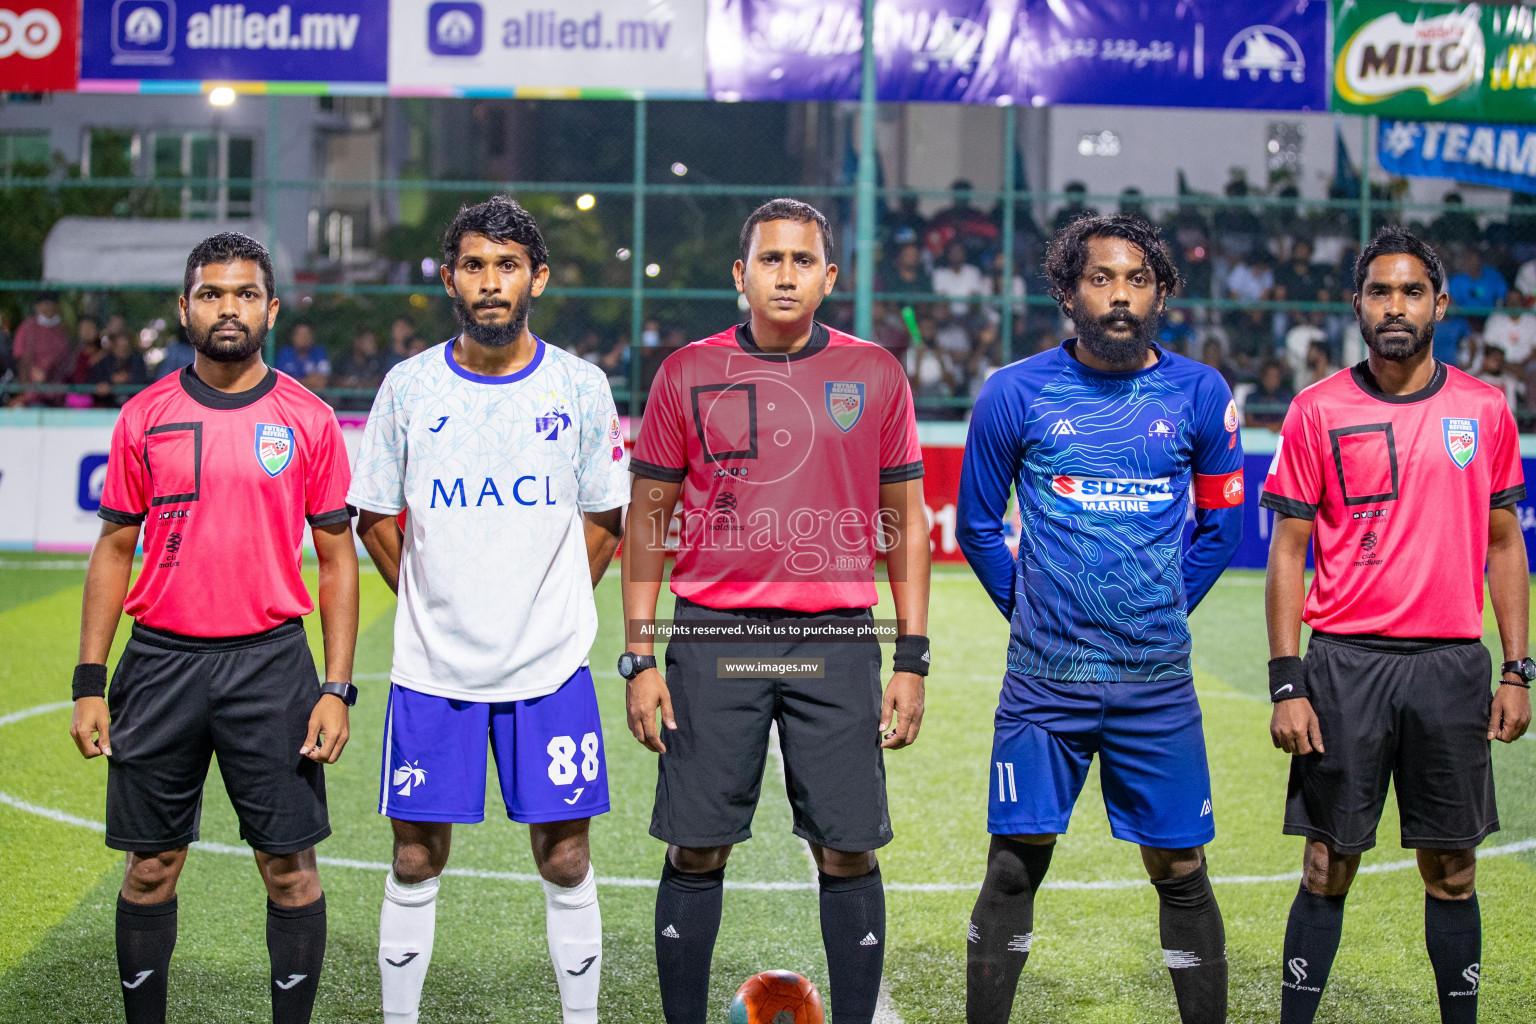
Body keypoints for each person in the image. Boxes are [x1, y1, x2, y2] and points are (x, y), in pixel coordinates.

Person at [623, 198, 930, 1024]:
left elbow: (904, 521)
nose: (785, 274)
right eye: (770, 259)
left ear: (830, 276)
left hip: (833, 639)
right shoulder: (686, 372)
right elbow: (649, 516)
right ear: (741, 274)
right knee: (697, 842)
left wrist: (912, 657)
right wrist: (640, 657)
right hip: (712, 636)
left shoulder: (875, 374)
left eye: (802, 261)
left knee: (847, 846)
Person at [957, 214, 1244, 1024]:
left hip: (1156, 684)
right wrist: (1031, 608)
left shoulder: (1200, 393)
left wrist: (1158, 605)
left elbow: (1222, 526)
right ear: (1067, 290)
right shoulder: (1014, 392)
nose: (1121, 296)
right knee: (1013, 865)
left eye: (1138, 280)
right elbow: (978, 524)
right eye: (1101, 279)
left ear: (1162, 291)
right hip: (1043, 683)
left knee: (1181, 867)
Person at [67, 231, 359, 1024]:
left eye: (242, 294)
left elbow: (338, 562)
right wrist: (89, 684)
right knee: (151, 869)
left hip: (272, 668)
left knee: (290, 871)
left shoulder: (308, 418)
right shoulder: (144, 415)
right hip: (159, 665)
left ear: (269, 306)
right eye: (210, 293)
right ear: (185, 306)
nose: (226, 308)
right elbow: (114, 549)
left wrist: (337, 688)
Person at [349, 196, 627, 1024]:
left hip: (549, 668)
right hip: (434, 670)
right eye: (475, 265)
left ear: (536, 277)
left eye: (508, 265)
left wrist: (542, 608)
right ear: (449, 281)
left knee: (568, 856)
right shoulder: (408, 386)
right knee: (413, 853)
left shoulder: (580, 385)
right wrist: (439, 605)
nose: (492, 282)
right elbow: (373, 516)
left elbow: (606, 519)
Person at [1260, 226, 1531, 1024]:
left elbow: (1506, 542)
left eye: (1412, 291)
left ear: (1441, 304)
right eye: (1380, 291)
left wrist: (1518, 668)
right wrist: (1287, 683)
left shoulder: (1484, 409)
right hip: (1344, 666)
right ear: (1357, 305)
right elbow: (1288, 553)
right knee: (1325, 865)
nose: (1395, 305)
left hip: (1451, 668)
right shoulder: (1318, 409)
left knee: (1453, 871)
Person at [13, 291, 72, 405]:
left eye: (51, 304)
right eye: (44, 304)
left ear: (57, 306)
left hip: (59, 394)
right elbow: (20, 359)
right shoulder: (27, 328)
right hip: (33, 395)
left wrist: (51, 372)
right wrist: (32, 371)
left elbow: (68, 361)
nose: (47, 308)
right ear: (36, 307)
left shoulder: (64, 331)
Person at [87, 328, 149, 407]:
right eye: (119, 347)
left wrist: (128, 379)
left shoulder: (137, 361)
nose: (122, 350)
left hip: (133, 406)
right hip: (108, 408)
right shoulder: (104, 362)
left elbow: (144, 382)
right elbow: (94, 382)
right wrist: (110, 381)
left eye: (125, 347)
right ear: (113, 346)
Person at [275, 322, 331, 393]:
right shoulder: (285, 353)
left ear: (312, 337)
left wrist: (295, 381)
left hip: (314, 398)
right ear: (293, 337)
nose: (304, 338)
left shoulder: (319, 353)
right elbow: (281, 382)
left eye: (307, 335)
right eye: (300, 335)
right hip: (290, 397)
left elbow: (322, 383)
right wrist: (310, 382)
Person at [1247, 359, 1297, 430]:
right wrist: (1267, 427)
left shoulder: (1287, 398)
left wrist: (1277, 426)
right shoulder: (1251, 398)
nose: (1271, 380)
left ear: (1280, 379)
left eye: (1275, 377)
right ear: (1262, 377)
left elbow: (1292, 421)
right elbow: (1248, 422)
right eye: (1269, 376)